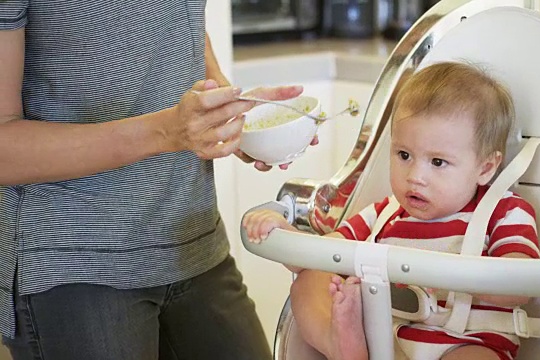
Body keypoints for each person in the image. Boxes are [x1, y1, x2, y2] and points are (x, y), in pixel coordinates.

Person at [0, 2, 312, 360]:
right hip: (77, 265)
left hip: (190, 240)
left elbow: (177, 25)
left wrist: (225, 113)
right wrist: (168, 131)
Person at [243, 62, 540, 360]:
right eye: (404, 155)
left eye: (437, 162)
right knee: (310, 280)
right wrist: (287, 235)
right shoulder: (384, 214)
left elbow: (519, 285)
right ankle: (341, 345)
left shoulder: (504, 212)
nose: (415, 176)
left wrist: (453, 275)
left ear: (485, 167)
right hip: (382, 343)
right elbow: (324, 254)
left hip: (465, 343)